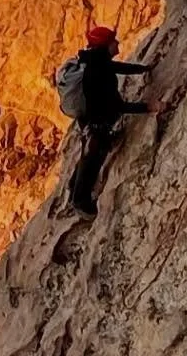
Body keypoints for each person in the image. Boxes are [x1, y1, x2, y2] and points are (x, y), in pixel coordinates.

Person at [64, 24, 151, 217]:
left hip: (89, 119)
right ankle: (81, 202)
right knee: (93, 158)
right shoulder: (99, 71)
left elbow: (116, 67)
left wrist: (142, 69)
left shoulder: (95, 61)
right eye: (113, 41)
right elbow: (116, 106)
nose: (117, 43)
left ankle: (73, 186)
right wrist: (148, 107)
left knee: (89, 153)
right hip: (96, 122)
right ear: (106, 46)